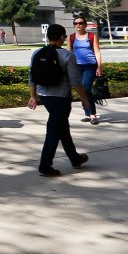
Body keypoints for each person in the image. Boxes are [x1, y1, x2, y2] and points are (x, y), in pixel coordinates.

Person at [28, 24, 91, 176]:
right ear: (62, 37)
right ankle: (45, 166)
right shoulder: (67, 55)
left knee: (62, 127)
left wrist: (32, 96)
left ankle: (75, 158)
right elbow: (75, 81)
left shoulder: (37, 53)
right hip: (61, 98)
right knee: (53, 131)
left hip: (44, 97)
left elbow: (32, 77)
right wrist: (84, 99)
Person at [67, 17, 103, 125]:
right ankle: (87, 114)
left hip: (90, 66)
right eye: (76, 23)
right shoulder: (71, 37)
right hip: (77, 67)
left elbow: (97, 52)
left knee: (86, 88)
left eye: (81, 23)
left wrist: (99, 66)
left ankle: (92, 114)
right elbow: (68, 53)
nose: (78, 25)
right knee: (81, 90)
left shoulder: (92, 36)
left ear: (85, 25)